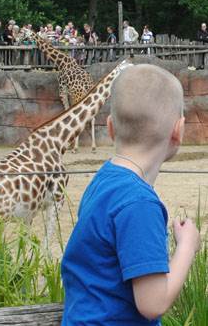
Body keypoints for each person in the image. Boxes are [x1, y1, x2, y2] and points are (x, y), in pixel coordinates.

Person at [61, 64, 200, 325]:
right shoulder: (140, 204)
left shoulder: (103, 181)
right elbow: (153, 303)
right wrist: (187, 247)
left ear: (111, 127)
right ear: (178, 130)